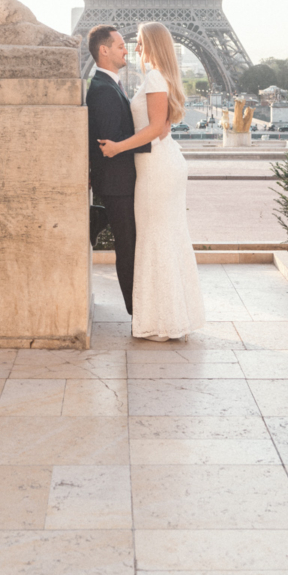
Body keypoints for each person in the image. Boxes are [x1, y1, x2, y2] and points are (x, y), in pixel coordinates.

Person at [98, 22, 206, 342]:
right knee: (164, 238)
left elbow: (157, 128)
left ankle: (162, 321)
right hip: (158, 163)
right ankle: (170, 317)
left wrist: (117, 147)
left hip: (156, 166)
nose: (136, 49)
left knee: (155, 239)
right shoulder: (161, 76)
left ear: (153, 45)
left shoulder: (155, 77)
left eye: (142, 43)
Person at [86, 25, 149, 316]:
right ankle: (136, 311)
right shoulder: (103, 90)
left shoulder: (109, 85)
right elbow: (110, 143)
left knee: (130, 244)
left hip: (118, 182)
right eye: (121, 45)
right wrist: (150, 143)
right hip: (117, 183)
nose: (126, 49)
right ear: (104, 50)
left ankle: (98, 215)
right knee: (128, 247)